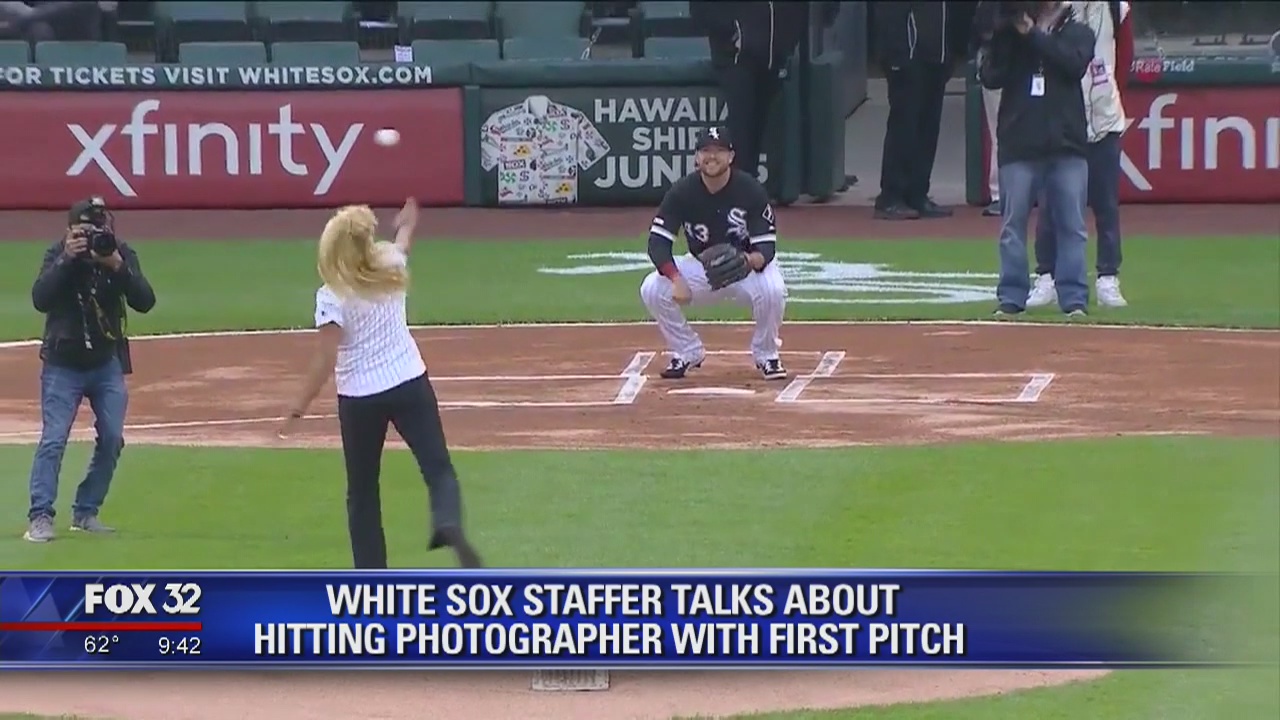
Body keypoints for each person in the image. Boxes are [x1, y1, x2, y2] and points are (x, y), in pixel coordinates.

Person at [277, 198, 483, 570]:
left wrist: (298, 406)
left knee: (362, 493)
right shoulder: (390, 264)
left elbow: (325, 359)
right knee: (437, 468)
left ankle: (371, 577)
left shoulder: (331, 294)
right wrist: (408, 223)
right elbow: (402, 243)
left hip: (359, 399)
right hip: (409, 381)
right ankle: (447, 521)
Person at [25, 196, 156, 543]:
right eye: (86, 229)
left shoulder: (118, 253)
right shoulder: (58, 255)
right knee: (53, 440)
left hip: (105, 362)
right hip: (62, 364)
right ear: (70, 230)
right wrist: (68, 259)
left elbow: (145, 301)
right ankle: (40, 516)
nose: (95, 234)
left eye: (100, 227)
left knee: (113, 438)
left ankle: (86, 511)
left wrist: (117, 266)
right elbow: (40, 298)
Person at [639, 126, 788, 381]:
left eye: (719, 151)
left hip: (745, 267)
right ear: (697, 157)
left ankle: (767, 355)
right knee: (652, 288)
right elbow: (657, 242)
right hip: (702, 267)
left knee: (773, 290)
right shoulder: (682, 192)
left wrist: (748, 260)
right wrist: (676, 279)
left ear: (730, 156)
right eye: (706, 151)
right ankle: (687, 351)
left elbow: (766, 247)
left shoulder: (750, 190)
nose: (712, 157)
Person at [979, 0, 1095, 317]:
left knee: (1072, 226)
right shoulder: (1010, 36)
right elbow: (990, 77)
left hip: (1066, 145)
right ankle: (1012, 298)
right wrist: (1004, 37)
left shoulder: (1078, 32)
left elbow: (1073, 64)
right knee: (1012, 226)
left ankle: (1073, 299)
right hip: (1019, 144)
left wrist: (1034, 37)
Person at [1028, 0, 1132, 309]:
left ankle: (1108, 278)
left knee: (1106, 207)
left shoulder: (1116, 7)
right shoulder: (1052, 7)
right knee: (1049, 206)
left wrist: (1111, 97)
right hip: (1061, 120)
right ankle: (1046, 277)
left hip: (1103, 117)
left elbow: (1125, 56)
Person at [689, 1, 831, 182]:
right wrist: (732, 29)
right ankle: (736, 189)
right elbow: (700, 9)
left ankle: (748, 186)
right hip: (734, 57)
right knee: (742, 125)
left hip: (773, 57)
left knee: (758, 125)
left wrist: (788, 41)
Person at [872, 1, 974, 220]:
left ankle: (917, 192)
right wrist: (898, 55)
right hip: (907, 56)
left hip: (936, 57)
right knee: (904, 127)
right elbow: (888, 14)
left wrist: (951, 55)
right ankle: (891, 196)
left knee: (928, 129)